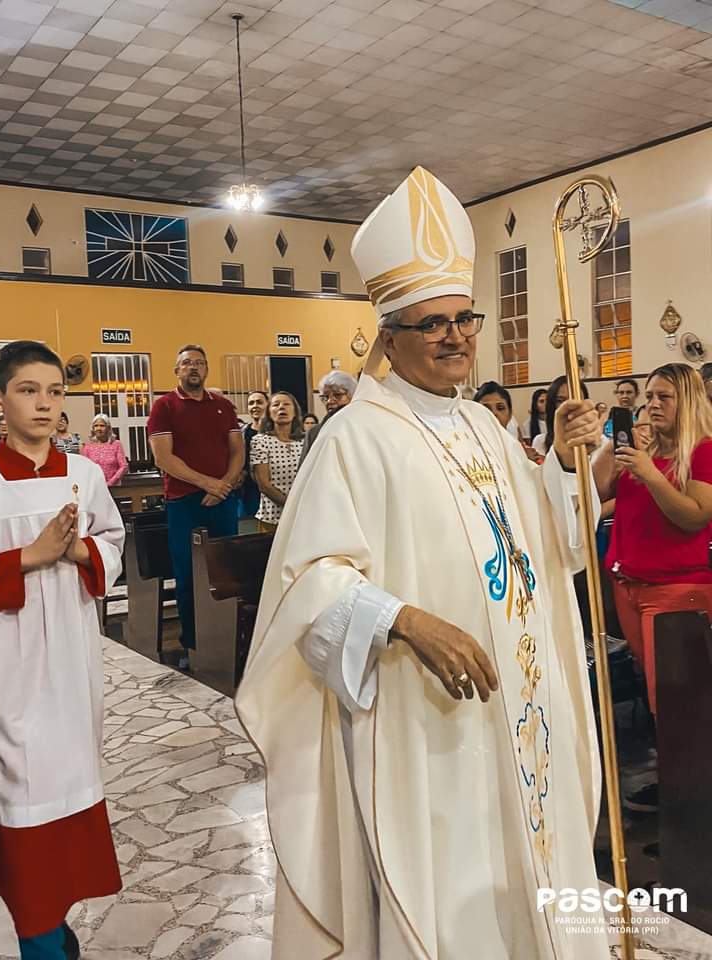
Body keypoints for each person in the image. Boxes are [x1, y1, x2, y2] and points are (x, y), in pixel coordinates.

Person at [236, 167, 608, 960]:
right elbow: (311, 582)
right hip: (427, 718)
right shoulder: (354, 437)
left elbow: (539, 544)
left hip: (521, 702)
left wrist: (566, 470)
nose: (455, 337)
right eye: (430, 324)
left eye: (463, 320)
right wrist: (403, 620)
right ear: (390, 337)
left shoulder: (483, 424)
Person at [0, 341, 124, 960]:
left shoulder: (85, 475)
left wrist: (81, 552)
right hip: (9, 669)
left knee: (72, 785)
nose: (44, 404)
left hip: (72, 664)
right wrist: (27, 558)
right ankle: (37, 933)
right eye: (27, 390)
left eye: (54, 391)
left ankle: (54, 925)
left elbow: (113, 540)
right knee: (21, 792)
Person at [599, 364, 712, 720]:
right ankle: (673, 771)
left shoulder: (703, 451)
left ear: (689, 402)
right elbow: (595, 491)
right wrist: (611, 447)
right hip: (629, 584)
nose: (653, 404)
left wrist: (649, 474)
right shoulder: (643, 451)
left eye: (665, 397)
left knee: (679, 699)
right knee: (656, 690)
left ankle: (687, 776)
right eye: (649, 397)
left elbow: (694, 516)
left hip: (674, 587)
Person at [147, 344, 244, 669]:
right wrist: (208, 483)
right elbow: (164, 458)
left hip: (223, 500)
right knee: (189, 575)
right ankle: (192, 644)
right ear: (177, 371)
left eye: (200, 363)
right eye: (187, 363)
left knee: (228, 572)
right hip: (185, 503)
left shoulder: (223, 405)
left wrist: (224, 485)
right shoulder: (165, 406)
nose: (193, 368)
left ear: (206, 370)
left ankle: (230, 640)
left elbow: (237, 451)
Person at [249, 391, 304, 533]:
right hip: (273, 517)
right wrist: (291, 506)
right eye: (276, 405)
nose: (281, 408)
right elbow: (264, 484)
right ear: (269, 413)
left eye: (286, 404)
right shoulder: (260, 441)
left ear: (295, 412)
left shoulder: (305, 441)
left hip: (305, 513)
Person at [299, 370, 357, 465]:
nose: (330, 401)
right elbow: (304, 469)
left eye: (337, 395)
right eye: (325, 397)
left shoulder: (362, 427)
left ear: (352, 396)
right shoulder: (314, 433)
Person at [533, 374, 590, 457]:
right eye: (560, 401)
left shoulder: (600, 442)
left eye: (575, 399)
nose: (569, 406)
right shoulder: (541, 442)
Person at [240, 391, 268, 520]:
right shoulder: (242, 433)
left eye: (259, 402)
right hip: (249, 491)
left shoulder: (275, 433)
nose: (255, 406)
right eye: (251, 403)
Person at [81, 414, 128, 486]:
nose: (98, 428)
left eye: (102, 426)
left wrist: (110, 483)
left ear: (108, 428)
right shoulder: (88, 447)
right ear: (93, 429)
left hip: (114, 488)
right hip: (95, 487)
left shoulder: (116, 444)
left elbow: (123, 466)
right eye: (96, 426)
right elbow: (85, 469)